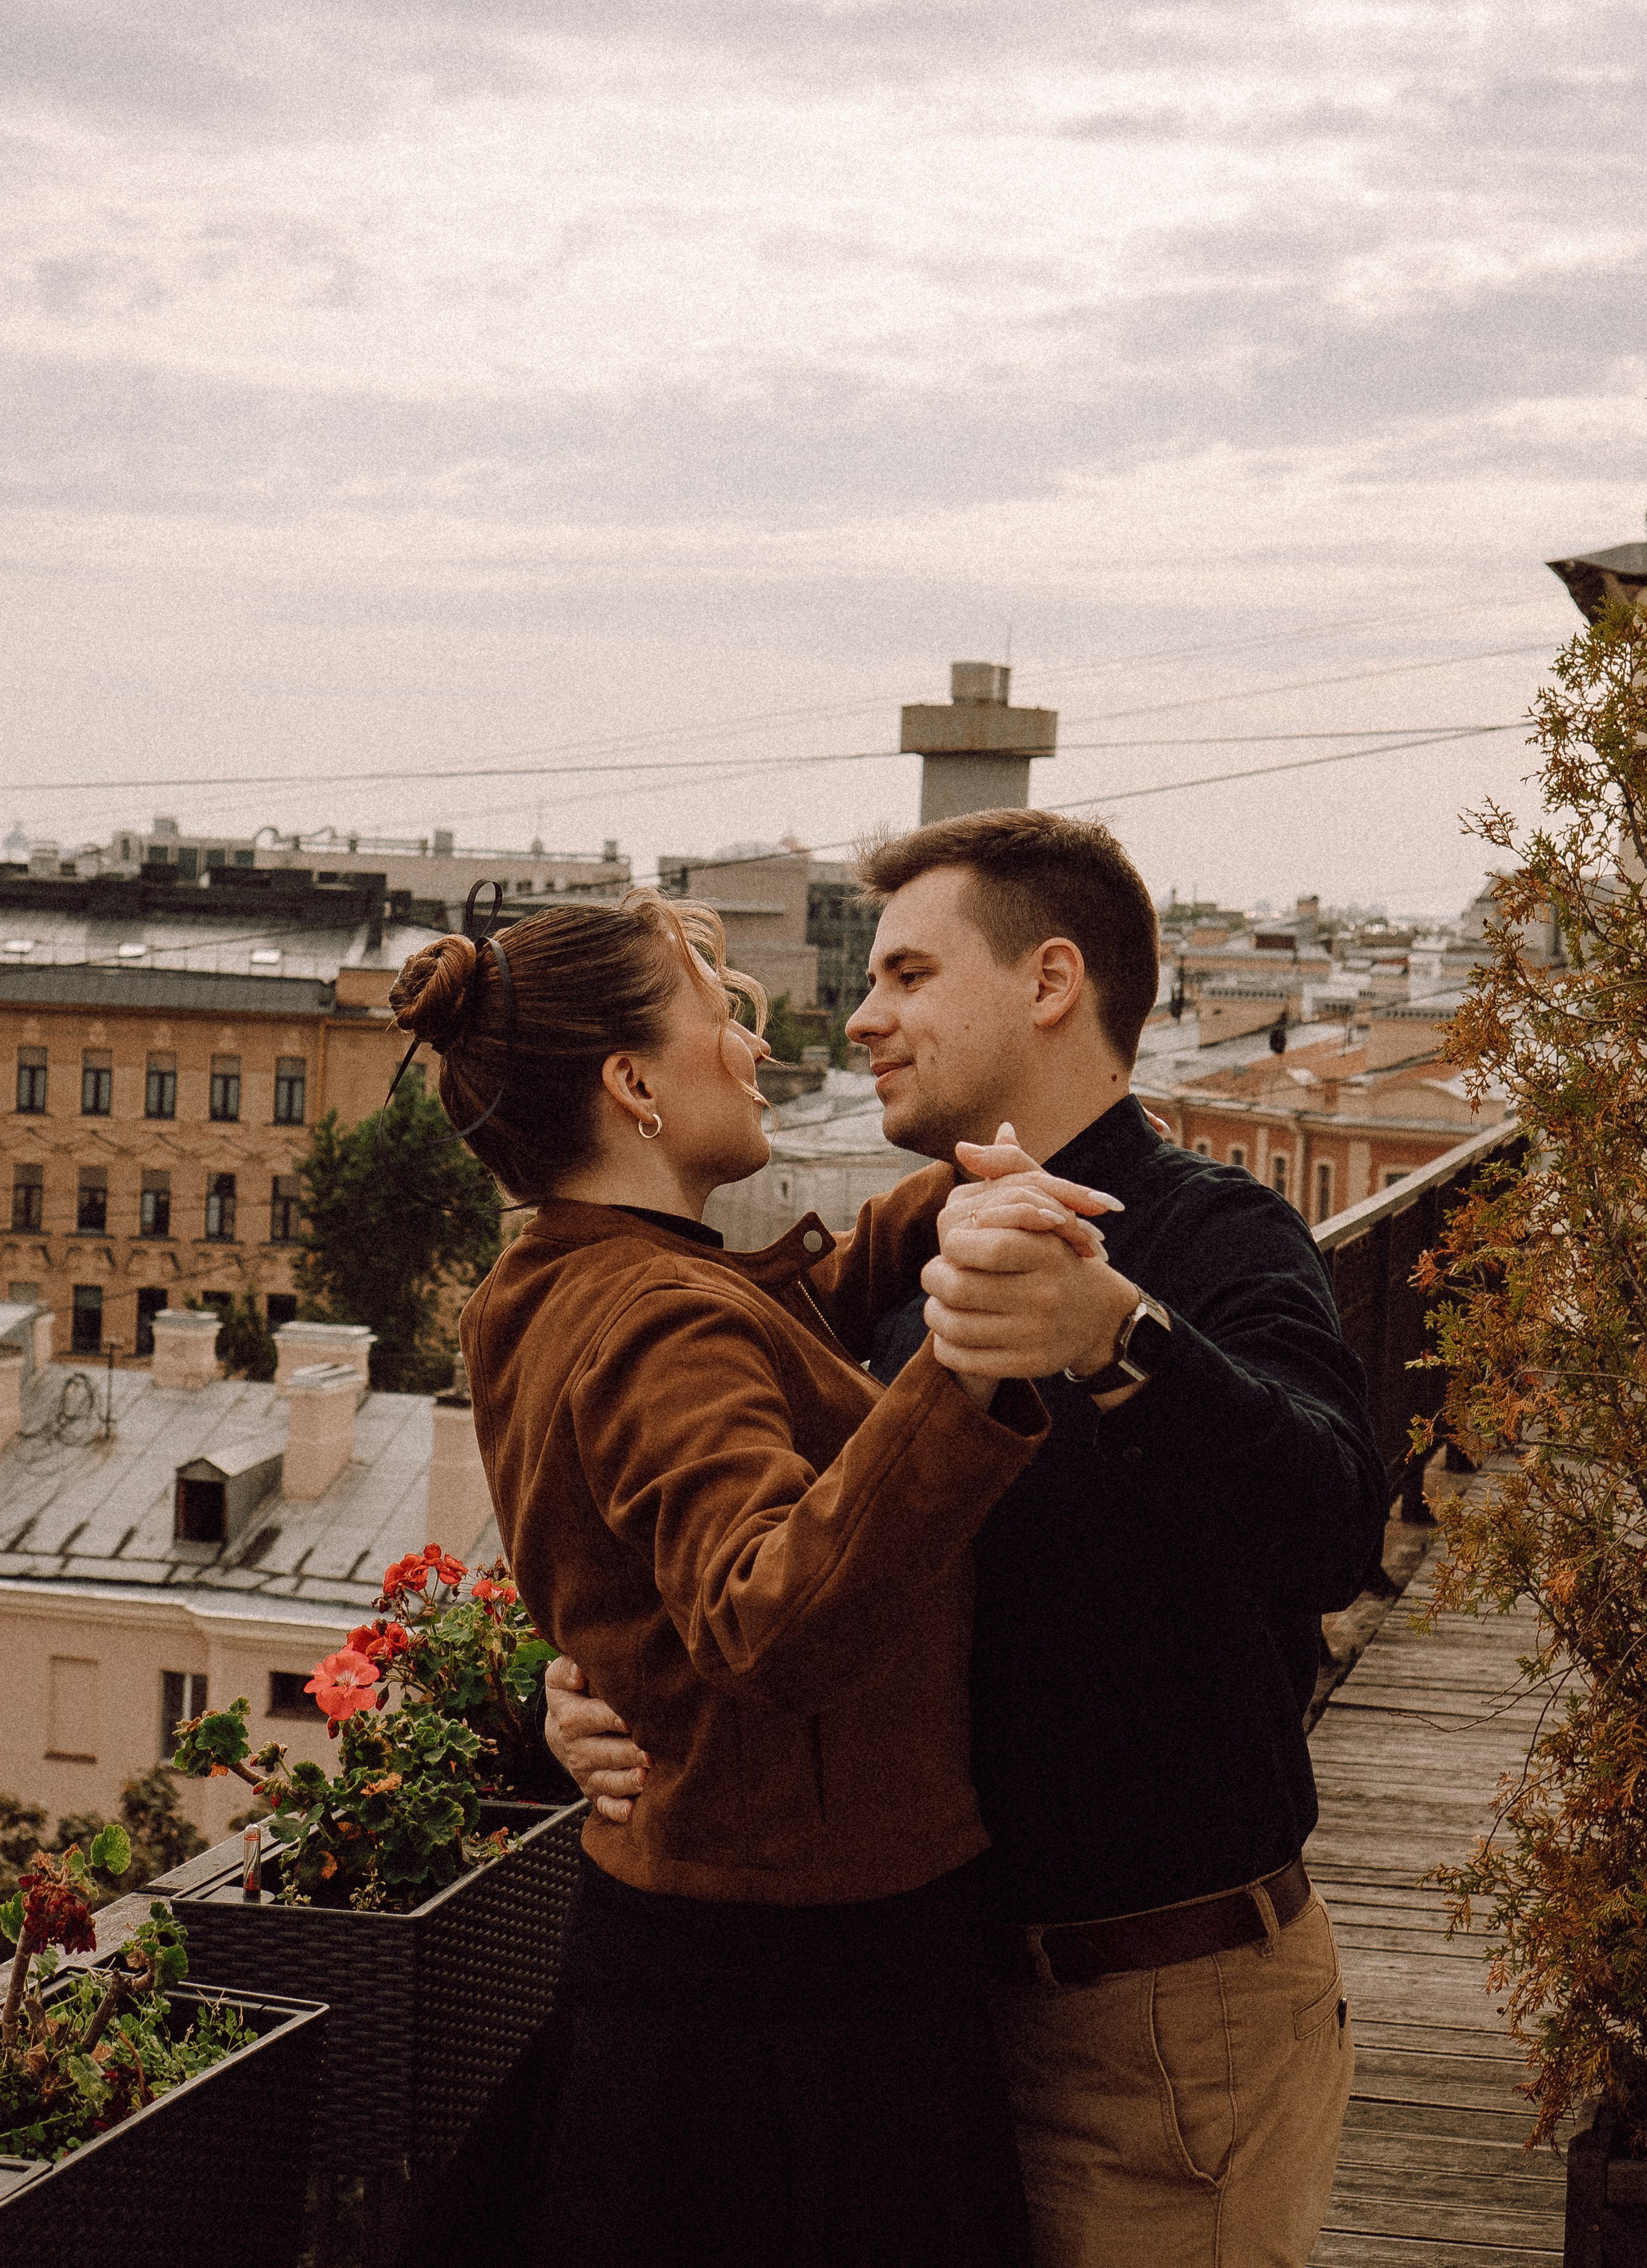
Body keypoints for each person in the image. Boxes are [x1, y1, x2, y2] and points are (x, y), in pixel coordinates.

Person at [547, 810, 1387, 2268]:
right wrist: (587, 1690)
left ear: (1049, 981)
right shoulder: (913, 1259)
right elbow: (782, 1570)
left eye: (910, 975)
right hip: (913, 2026)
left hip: (1150, 2036)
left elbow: (1332, 1526)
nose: (860, 1019)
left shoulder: (1210, 1235)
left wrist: (1118, 1337)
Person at [389, 886, 1119, 2268]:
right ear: (633, 1087)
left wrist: (942, 1206)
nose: (757, 1043)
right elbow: (768, 1616)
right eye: (718, 1014)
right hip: (803, 2002)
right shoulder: (662, 1318)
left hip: (687, 1961)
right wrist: (965, 1359)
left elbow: (770, 1349)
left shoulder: (555, 1282)